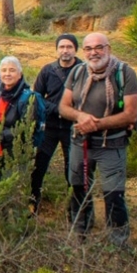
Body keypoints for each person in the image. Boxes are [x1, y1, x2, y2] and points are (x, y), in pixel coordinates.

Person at [59, 32, 137, 246]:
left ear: (109, 49)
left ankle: (119, 244)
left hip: (111, 145)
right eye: (88, 48)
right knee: (79, 189)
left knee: (114, 195)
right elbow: (64, 106)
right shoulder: (77, 72)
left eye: (99, 47)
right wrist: (80, 116)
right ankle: (81, 237)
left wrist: (95, 124)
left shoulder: (125, 73)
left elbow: (131, 114)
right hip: (80, 144)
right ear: (83, 51)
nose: (93, 53)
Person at [31, 33, 82, 212]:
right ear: (57, 49)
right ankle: (33, 201)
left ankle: (75, 207)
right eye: (62, 47)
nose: (65, 50)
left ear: (75, 49)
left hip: (73, 127)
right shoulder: (48, 70)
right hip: (50, 127)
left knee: (73, 168)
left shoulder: (84, 70)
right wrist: (56, 109)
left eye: (69, 47)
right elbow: (36, 97)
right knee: (39, 165)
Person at [0, 56, 45, 167]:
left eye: (12, 70)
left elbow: (26, 128)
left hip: (16, 152)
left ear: (20, 74)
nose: (7, 74)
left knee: (10, 180)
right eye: (4, 70)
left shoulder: (28, 98)